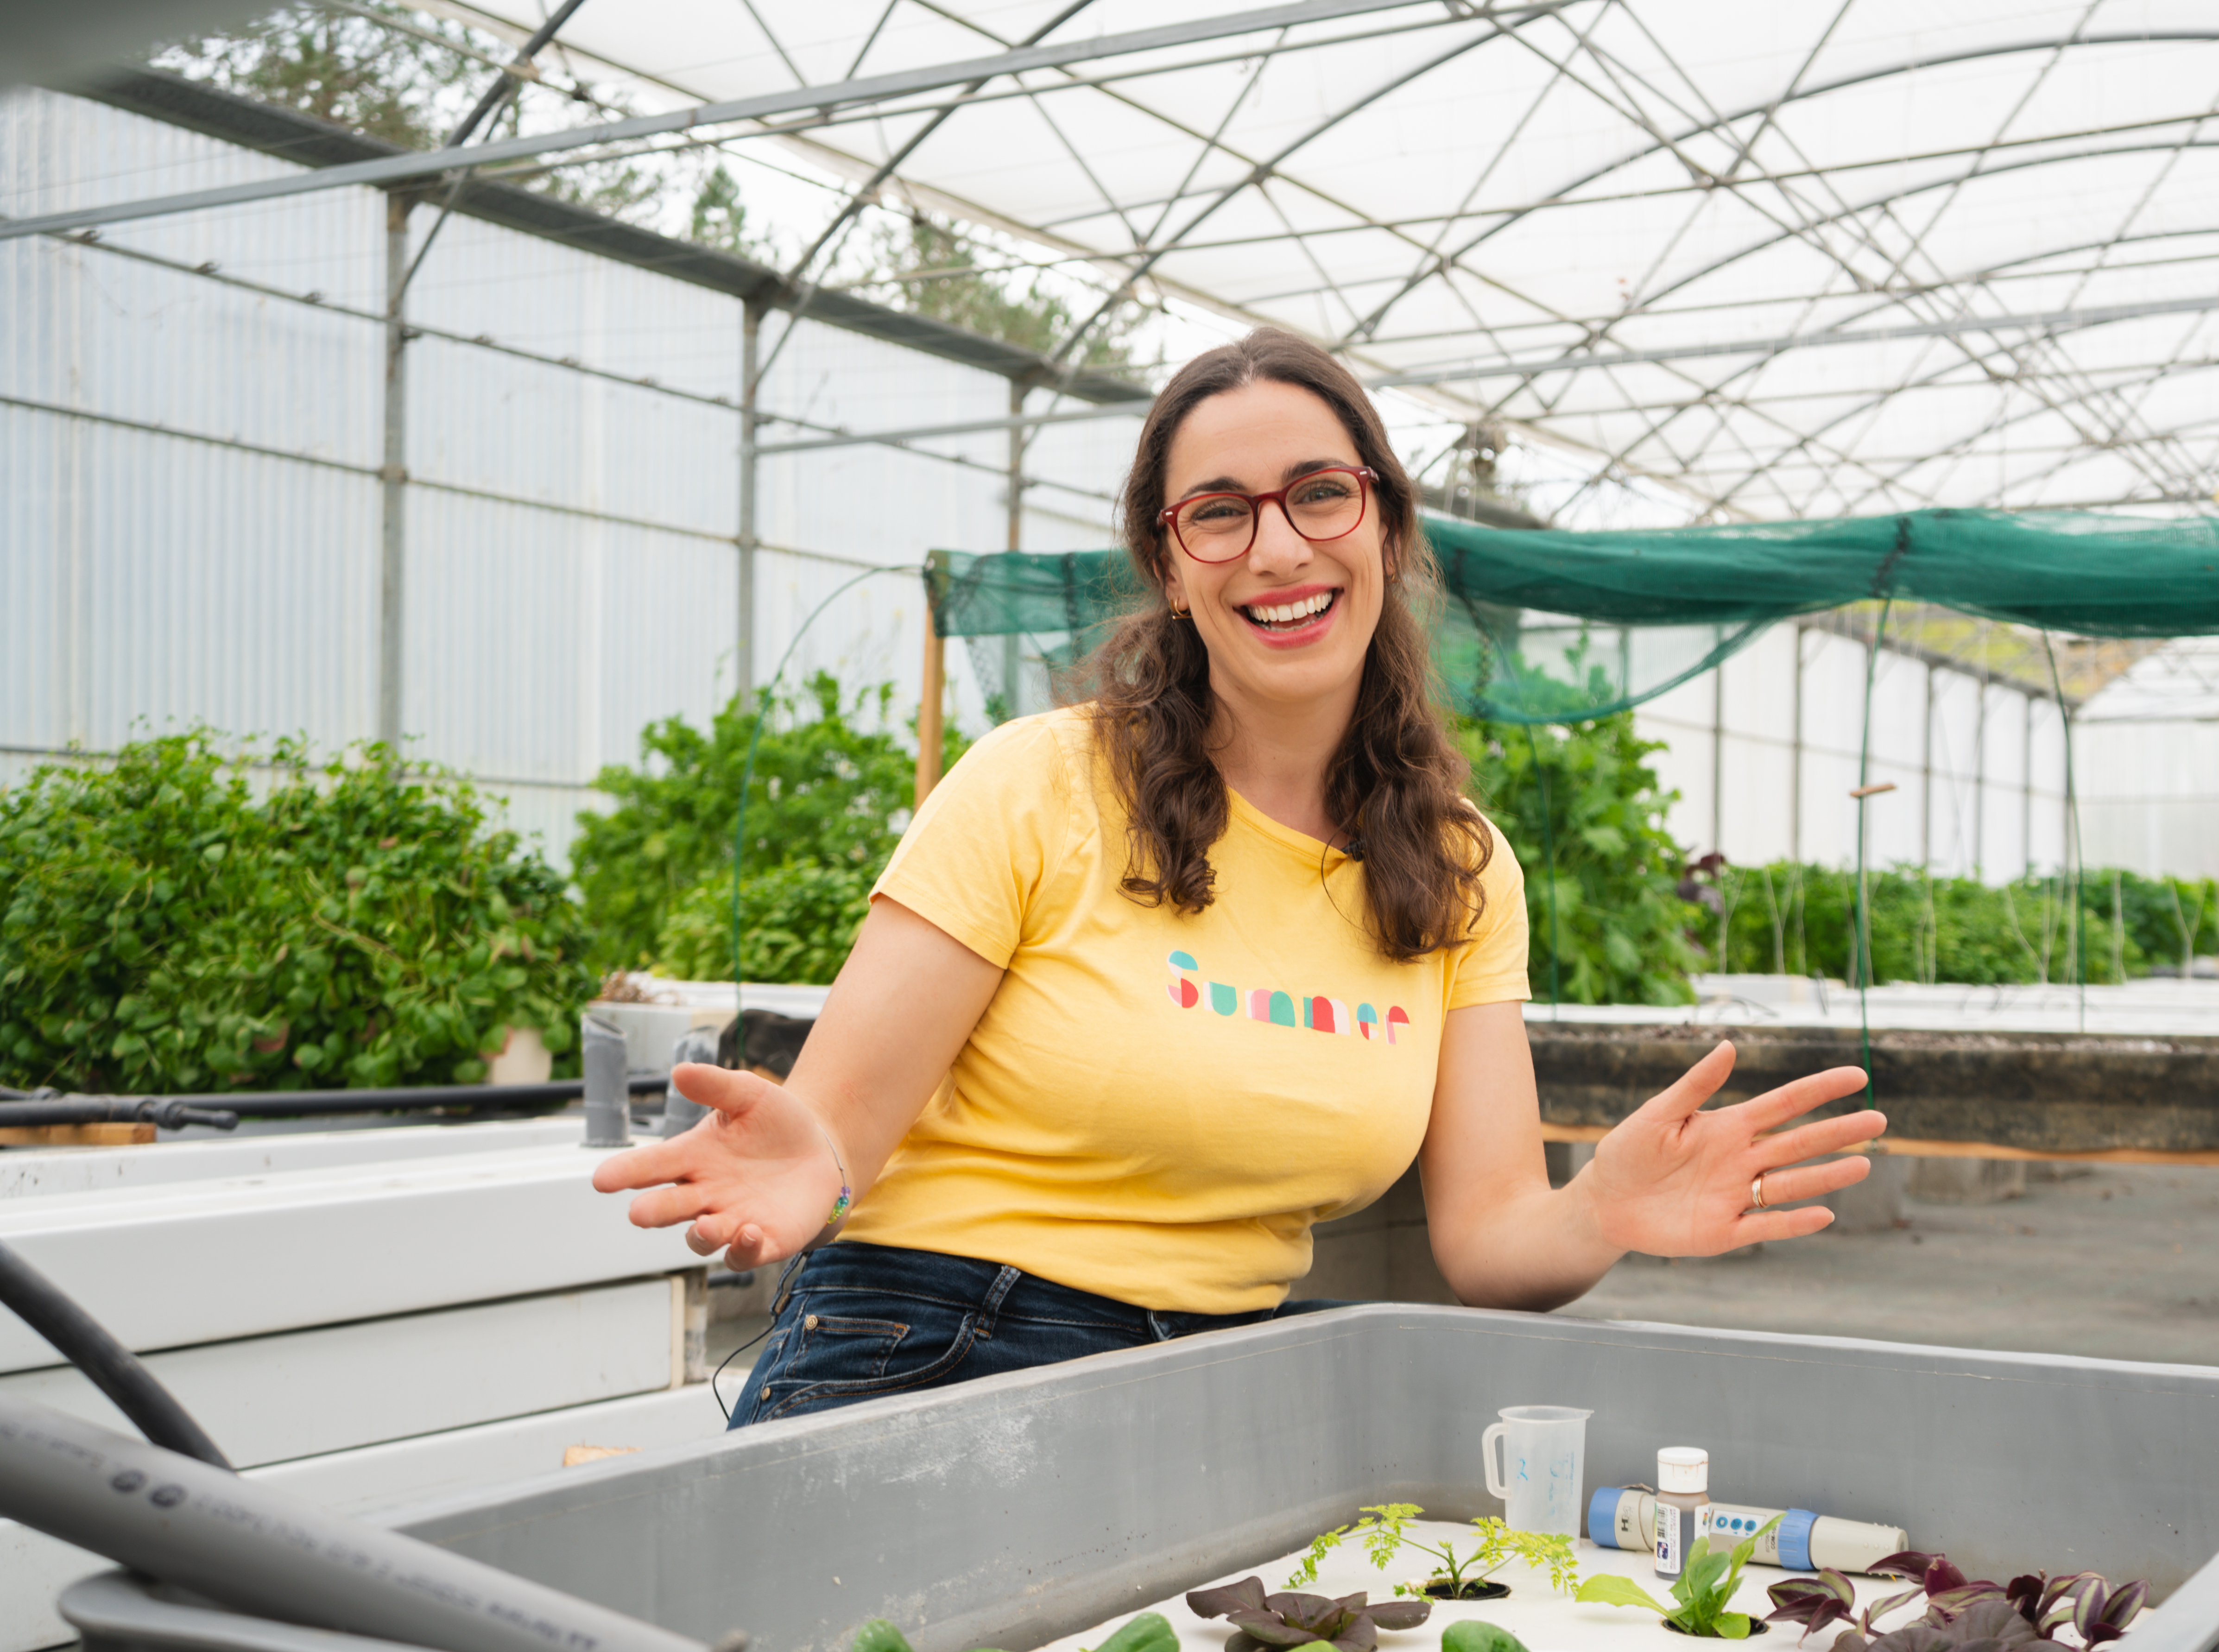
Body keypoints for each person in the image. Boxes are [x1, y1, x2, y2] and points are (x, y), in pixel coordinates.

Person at [593, 327, 1885, 1426]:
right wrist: (809, 1163)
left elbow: (1492, 1238)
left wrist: (1600, 1207)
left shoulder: (1456, 869)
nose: (1277, 548)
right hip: (938, 1341)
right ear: (1169, 566)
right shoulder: (1040, 783)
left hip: (1217, 1374)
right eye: (1219, 512)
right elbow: (840, 1127)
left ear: (1385, 525)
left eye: (1320, 493)